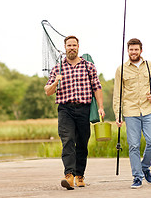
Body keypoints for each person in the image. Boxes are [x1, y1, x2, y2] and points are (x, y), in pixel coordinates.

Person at [44, 35, 105, 190]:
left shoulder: (88, 66)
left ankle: (80, 175)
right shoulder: (57, 68)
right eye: (69, 45)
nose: (71, 48)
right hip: (65, 109)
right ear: (64, 48)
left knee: (82, 143)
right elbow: (48, 91)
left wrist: (100, 107)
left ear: (78, 47)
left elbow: (97, 87)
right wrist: (56, 81)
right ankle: (69, 175)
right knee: (68, 140)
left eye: (74, 45)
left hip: (84, 109)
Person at [113, 38, 151, 189]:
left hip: (148, 110)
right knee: (134, 145)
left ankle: (145, 167)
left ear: (141, 50)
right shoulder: (121, 69)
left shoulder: (150, 65)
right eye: (131, 49)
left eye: (136, 49)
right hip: (130, 111)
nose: (133, 52)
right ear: (127, 51)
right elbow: (117, 94)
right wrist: (118, 114)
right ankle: (137, 176)